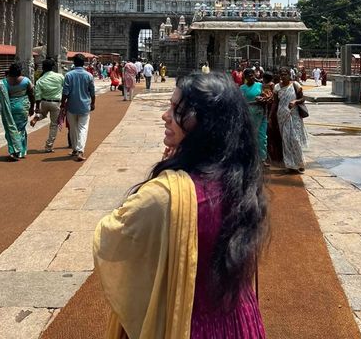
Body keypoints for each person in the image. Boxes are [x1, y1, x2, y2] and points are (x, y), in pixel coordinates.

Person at [93, 73, 267, 338]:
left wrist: (167, 177)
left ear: (203, 123)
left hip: (186, 323)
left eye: (176, 110)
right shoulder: (241, 181)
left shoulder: (164, 196)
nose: (165, 116)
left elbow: (114, 235)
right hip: (238, 321)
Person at [0, 62, 35, 161]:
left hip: (8, 109)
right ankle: (20, 151)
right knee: (20, 130)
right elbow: (32, 95)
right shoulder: (26, 81)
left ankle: (13, 151)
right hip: (22, 108)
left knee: (10, 130)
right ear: (20, 71)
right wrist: (32, 107)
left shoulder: (4, 82)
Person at [271, 67, 308, 173]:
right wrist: (271, 116)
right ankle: (290, 164)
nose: (283, 76)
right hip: (282, 115)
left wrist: (295, 101)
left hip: (294, 115)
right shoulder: (277, 87)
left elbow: (303, 98)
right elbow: (275, 103)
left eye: (285, 74)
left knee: (295, 139)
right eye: (281, 74)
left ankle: (300, 163)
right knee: (286, 140)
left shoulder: (295, 85)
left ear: (289, 74)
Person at [60, 53, 95, 161]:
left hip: (71, 105)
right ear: (84, 63)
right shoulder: (89, 75)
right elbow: (92, 92)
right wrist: (93, 103)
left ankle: (75, 149)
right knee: (83, 128)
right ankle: (80, 150)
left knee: (73, 129)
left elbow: (65, 92)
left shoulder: (69, 75)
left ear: (74, 63)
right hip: (84, 106)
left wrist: (62, 104)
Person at [31, 58, 65, 152]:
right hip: (56, 103)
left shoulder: (40, 80)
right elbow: (65, 88)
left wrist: (37, 109)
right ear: (53, 67)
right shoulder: (60, 76)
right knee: (54, 125)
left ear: (44, 68)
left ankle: (38, 117)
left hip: (44, 102)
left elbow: (37, 95)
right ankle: (48, 146)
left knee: (43, 114)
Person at [240, 67, 267, 163]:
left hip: (260, 114)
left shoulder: (260, 85)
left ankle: (262, 158)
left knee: (261, 137)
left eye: (252, 75)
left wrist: (263, 99)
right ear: (245, 77)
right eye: (248, 76)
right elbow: (240, 102)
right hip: (248, 115)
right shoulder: (242, 88)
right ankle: (250, 157)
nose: (251, 77)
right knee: (249, 136)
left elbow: (266, 96)